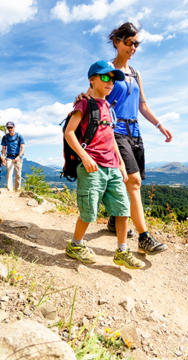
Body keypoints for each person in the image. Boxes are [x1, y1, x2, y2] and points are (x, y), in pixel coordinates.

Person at [77, 22, 173, 255]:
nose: (133, 47)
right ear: (117, 42)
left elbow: (142, 105)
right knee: (134, 182)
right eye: (129, 42)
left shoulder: (135, 73)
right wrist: (80, 99)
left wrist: (160, 125)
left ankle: (113, 220)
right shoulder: (108, 70)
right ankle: (144, 237)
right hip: (114, 131)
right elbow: (94, 95)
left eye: (136, 44)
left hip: (135, 132)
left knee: (126, 181)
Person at [64, 60, 145, 269]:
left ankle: (122, 251)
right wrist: (85, 157)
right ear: (92, 80)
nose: (111, 82)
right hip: (92, 165)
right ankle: (75, 245)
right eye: (106, 77)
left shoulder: (109, 107)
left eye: (114, 79)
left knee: (122, 208)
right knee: (89, 210)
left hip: (112, 166)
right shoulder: (84, 104)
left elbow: (110, 136)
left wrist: (120, 164)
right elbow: (69, 133)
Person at [1, 121, 25, 191]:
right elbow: (3, 148)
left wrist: (19, 157)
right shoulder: (5, 137)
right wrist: (3, 157)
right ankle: (9, 190)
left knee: (18, 175)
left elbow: (22, 148)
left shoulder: (19, 136)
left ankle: (17, 190)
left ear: (14, 127)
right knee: (9, 174)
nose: (9, 129)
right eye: (8, 127)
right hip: (9, 157)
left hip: (18, 157)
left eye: (11, 127)